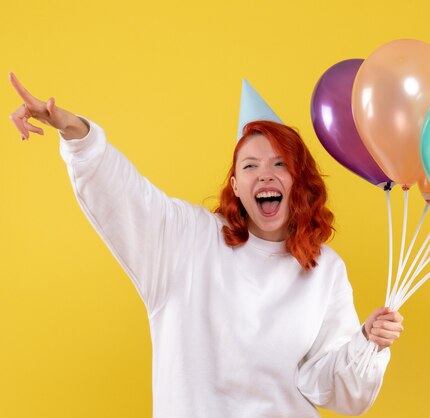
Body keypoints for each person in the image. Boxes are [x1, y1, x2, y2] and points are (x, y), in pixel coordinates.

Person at [8, 72, 404, 417]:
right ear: (235, 186)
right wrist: (73, 130)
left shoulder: (325, 269)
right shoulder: (187, 241)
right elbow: (125, 195)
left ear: (299, 181)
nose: (265, 175)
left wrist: (366, 341)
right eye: (250, 166)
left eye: (279, 163)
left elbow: (330, 385)